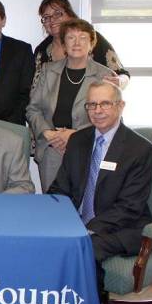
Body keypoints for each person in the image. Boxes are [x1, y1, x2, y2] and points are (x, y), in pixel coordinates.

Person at [49, 81, 152, 294]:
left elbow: (130, 206)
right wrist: (54, 216)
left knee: (85, 248)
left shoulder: (140, 149)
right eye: (91, 105)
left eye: (105, 104)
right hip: (78, 222)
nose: (97, 111)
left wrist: (86, 228)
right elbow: (60, 187)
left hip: (125, 227)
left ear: (120, 105)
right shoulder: (78, 140)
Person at [26, 18, 115, 192]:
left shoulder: (104, 75)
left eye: (83, 38)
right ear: (64, 44)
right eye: (71, 38)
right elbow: (32, 109)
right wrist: (48, 133)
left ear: (91, 44)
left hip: (87, 148)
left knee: (85, 202)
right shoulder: (47, 70)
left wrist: (74, 136)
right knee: (53, 205)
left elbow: (109, 117)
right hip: (52, 148)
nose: (76, 43)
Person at [33, 0, 129, 91]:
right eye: (46, 17)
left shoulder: (93, 39)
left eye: (57, 14)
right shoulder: (41, 51)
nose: (52, 20)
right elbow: (36, 90)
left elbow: (122, 75)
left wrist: (119, 81)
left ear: (70, 15)